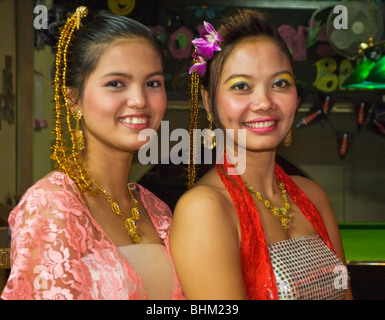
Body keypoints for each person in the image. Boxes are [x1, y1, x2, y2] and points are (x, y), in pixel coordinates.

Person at [1, 6, 184, 300]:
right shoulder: (50, 206)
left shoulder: (157, 211)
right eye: (116, 84)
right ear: (73, 98)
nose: (139, 100)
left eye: (152, 83)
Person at [170, 9, 353, 300]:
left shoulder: (313, 196)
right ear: (208, 100)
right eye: (241, 86)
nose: (265, 103)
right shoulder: (204, 210)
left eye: (280, 83)